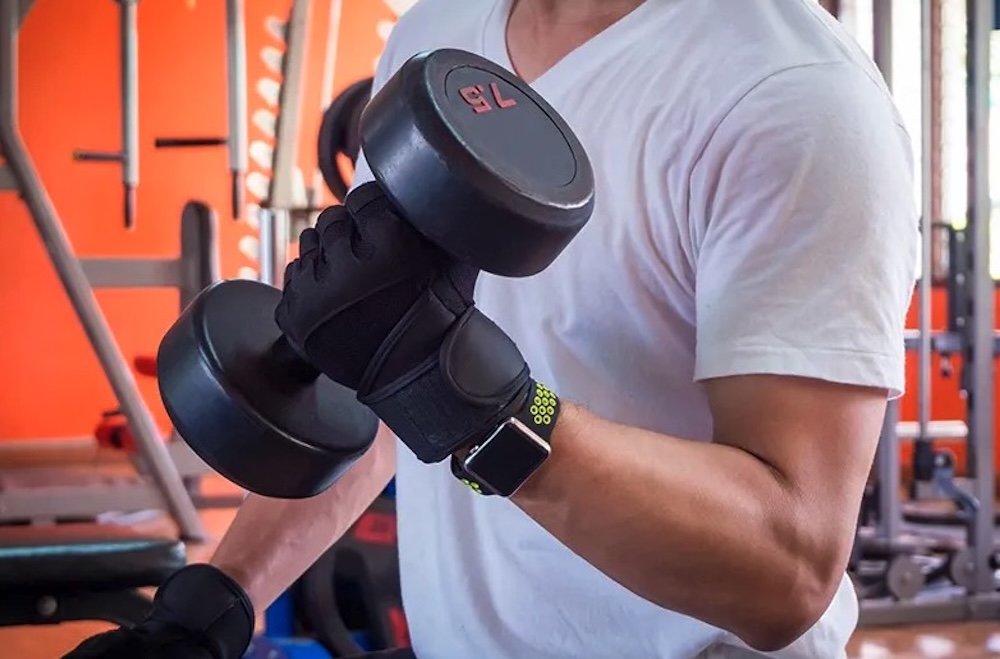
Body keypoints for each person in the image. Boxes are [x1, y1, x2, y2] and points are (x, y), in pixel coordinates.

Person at [66, 0, 918, 657]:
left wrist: (487, 412)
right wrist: (218, 600)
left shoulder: (795, 95)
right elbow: (379, 369)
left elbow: (788, 566)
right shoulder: (434, 38)